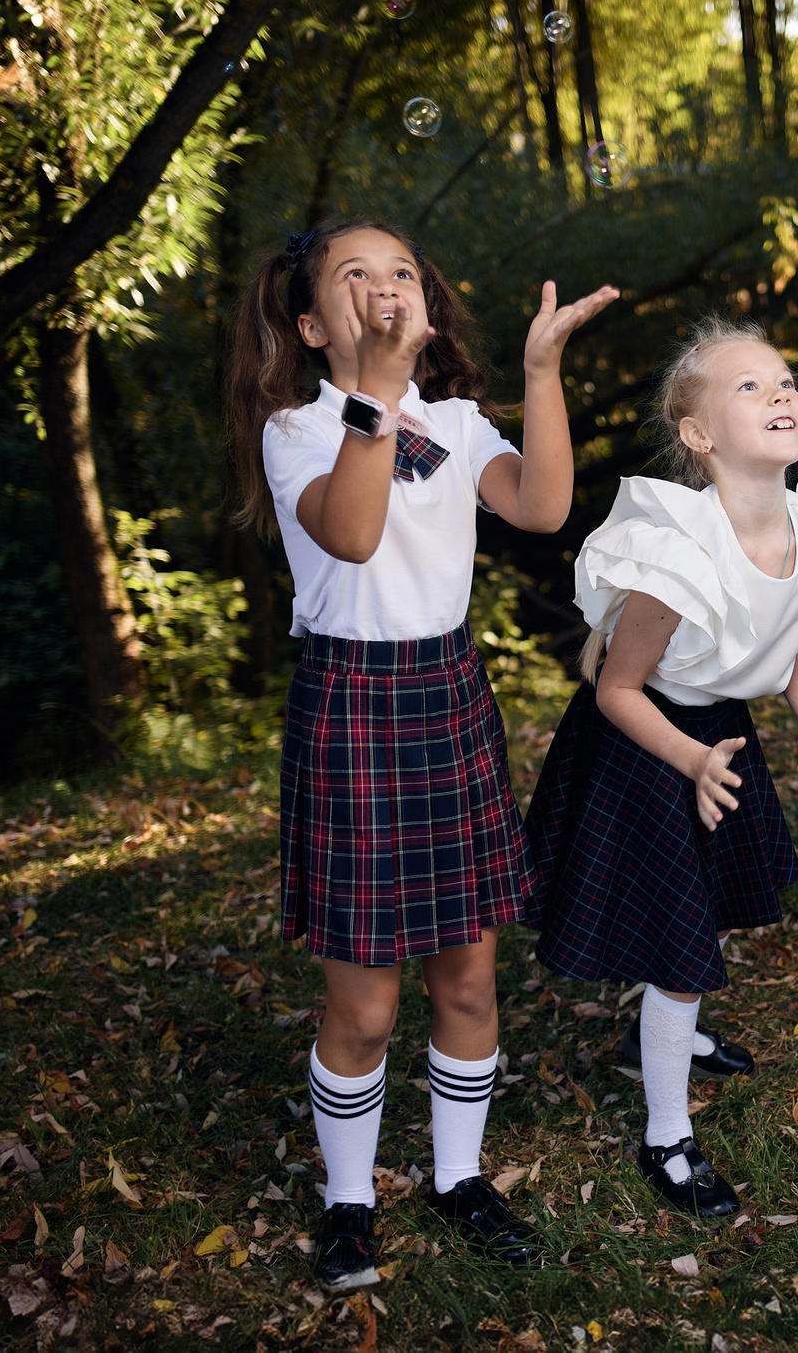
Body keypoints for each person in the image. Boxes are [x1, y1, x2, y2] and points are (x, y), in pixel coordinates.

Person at [223, 219, 616, 1287]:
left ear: (426, 305)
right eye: (355, 275)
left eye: (400, 269)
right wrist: (376, 399)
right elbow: (351, 533)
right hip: (351, 702)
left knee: (471, 980)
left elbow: (542, 505)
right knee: (363, 1003)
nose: (383, 284)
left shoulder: (455, 420)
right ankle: (348, 1200)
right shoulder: (301, 429)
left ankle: (459, 1176)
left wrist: (541, 373)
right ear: (313, 326)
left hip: (447, 694)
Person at [524, 319, 798, 1219]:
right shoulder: (675, 547)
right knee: (680, 947)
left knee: (702, 914)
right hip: (648, 743)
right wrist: (692, 757)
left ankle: (668, 1033)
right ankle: (667, 1137)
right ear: (697, 437)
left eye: (784, 379)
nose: (779, 393)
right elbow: (619, 689)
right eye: (748, 387)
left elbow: (794, 637)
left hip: (717, 737)